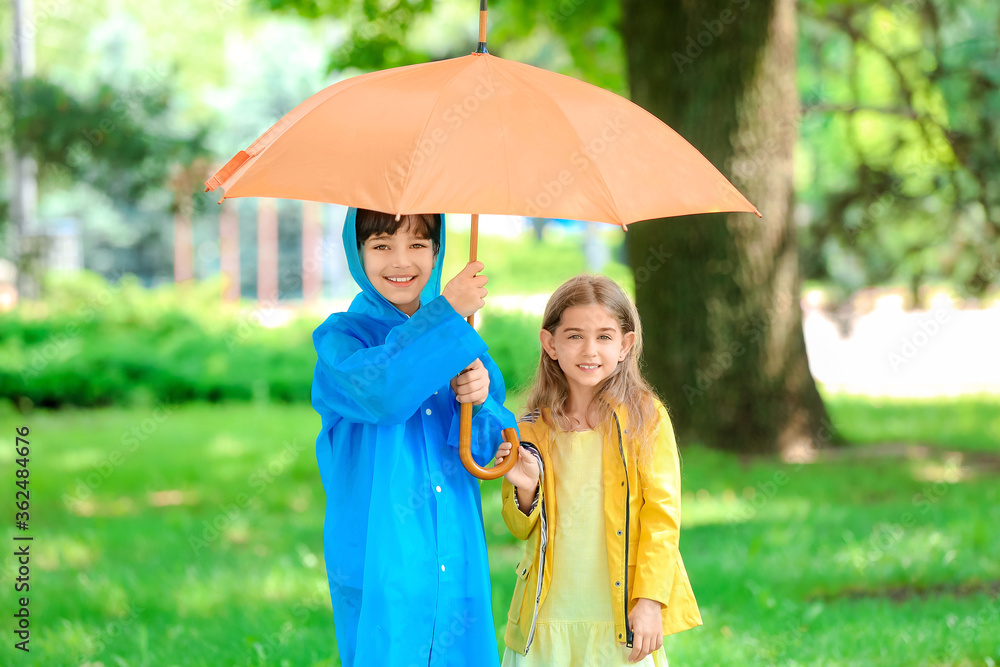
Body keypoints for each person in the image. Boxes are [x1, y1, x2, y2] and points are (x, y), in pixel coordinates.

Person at [310, 207, 516, 667]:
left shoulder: (463, 343)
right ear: (356, 251)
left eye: (418, 245)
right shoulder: (341, 341)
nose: (401, 261)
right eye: (382, 245)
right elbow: (383, 391)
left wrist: (481, 403)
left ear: (438, 251)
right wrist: (445, 314)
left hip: (454, 546)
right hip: (382, 548)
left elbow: (491, 455)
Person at [494, 275, 702, 666]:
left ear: (625, 345)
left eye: (604, 337)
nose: (589, 350)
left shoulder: (647, 419)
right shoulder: (529, 428)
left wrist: (651, 601)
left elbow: (662, 517)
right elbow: (519, 527)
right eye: (574, 336)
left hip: (619, 617)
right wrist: (525, 491)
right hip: (548, 617)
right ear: (549, 343)